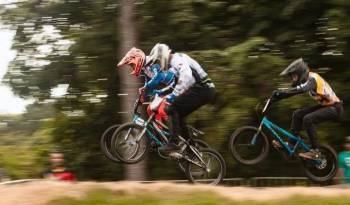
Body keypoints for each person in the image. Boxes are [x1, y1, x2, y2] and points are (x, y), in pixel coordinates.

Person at [148, 43, 216, 152]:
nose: (159, 63)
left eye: (159, 60)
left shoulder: (177, 59)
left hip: (203, 89)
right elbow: (174, 84)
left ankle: (174, 143)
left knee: (172, 108)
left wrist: (174, 95)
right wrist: (161, 92)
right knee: (178, 113)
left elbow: (187, 76)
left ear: (163, 56)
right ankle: (191, 146)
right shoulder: (174, 64)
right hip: (202, 89)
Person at [272, 58, 343, 159]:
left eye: (294, 76)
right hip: (326, 106)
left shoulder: (313, 78)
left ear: (301, 72)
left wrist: (282, 93)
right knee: (298, 114)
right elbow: (293, 91)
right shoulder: (307, 80)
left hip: (335, 108)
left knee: (308, 118)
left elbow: (301, 89)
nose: (293, 79)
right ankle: (291, 144)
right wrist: (275, 98)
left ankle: (316, 151)